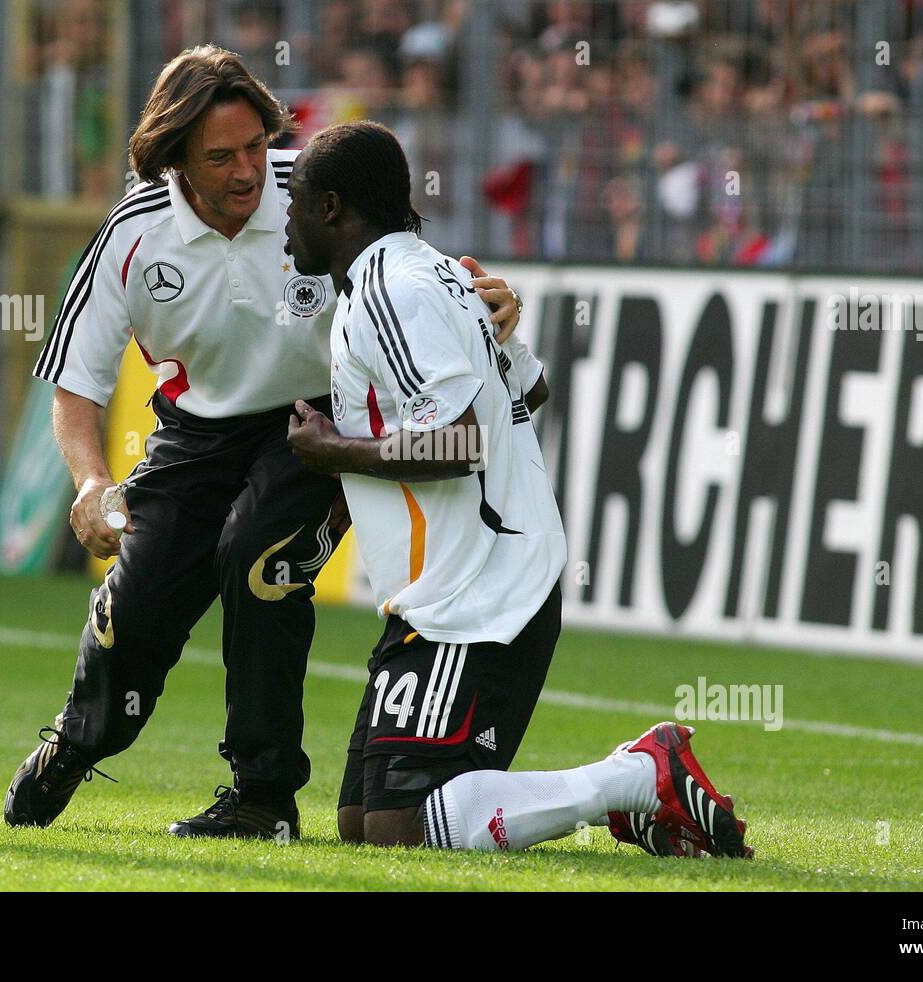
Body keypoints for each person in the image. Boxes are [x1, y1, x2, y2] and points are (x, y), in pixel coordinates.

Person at [4, 47, 523, 839]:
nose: (250, 170)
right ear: (173, 158)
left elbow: (405, 264)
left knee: (259, 564)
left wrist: (482, 298)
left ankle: (263, 797)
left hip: (314, 425)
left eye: (256, 145)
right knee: (138, 606)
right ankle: (78, 744)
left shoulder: (310, 190)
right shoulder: (131, 233)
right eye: (222, 156)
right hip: (195, 435)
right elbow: (77, 384)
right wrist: (87, 480)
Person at [283, 120, 751, 856]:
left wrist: (329, 449)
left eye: (296, 203)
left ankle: (634, 777)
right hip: (450, 586)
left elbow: (463, 440)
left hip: (477, 592)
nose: (287, 223)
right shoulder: (433, 275)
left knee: (402, 827)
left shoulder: (388, 289)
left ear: (333, 207)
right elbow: (529, 392)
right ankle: (635, 794)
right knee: (361, 823)